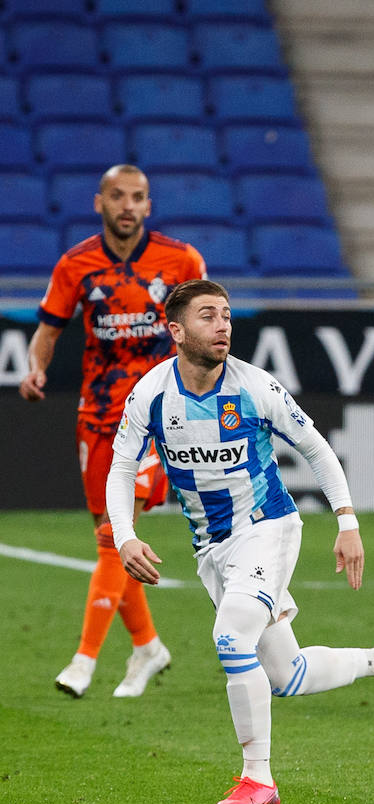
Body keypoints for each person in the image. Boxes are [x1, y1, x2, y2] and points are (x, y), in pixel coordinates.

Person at [107, 280, 374, 804]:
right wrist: (124, 535)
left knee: (231, 638)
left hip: (268, 529)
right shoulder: (151, 394)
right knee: (288, 675)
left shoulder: (255, 387)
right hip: (212, 549)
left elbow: (315, 447)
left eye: (227, 316)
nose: (222, 326)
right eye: (208, 316)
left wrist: (347, 520)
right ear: (176, 330)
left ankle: (258, 778)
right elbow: (122, 467)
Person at [19, 164, 207, 700]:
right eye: (118, 196)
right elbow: (48, 330)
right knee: (110, 534)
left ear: (149, 206)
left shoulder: (180, 260)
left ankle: (84, 659)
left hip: (158, 417)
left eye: (139, 197)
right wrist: (36, 368)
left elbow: (207, 321)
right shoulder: (75, 264)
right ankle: (148, 646)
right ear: (99, 201)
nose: (128, 205)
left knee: (110, 536)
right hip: (97, 416)